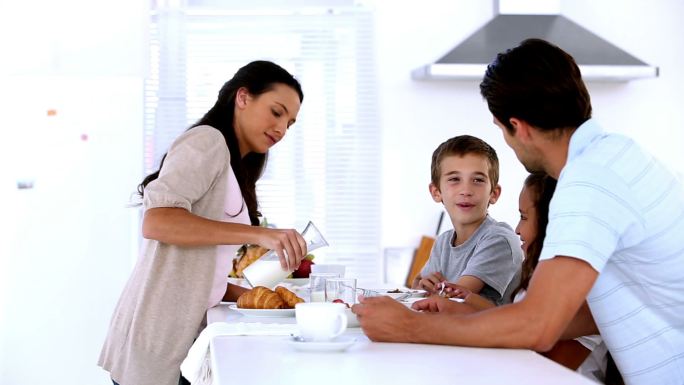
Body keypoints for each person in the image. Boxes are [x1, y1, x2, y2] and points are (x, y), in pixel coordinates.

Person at [352, 39, 684, 385]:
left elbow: (538, 326)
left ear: (518, 126)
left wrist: (411, 327)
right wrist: (465, 318)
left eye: (501, 131)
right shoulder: (618, 157)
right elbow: (586, 316)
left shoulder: (589, 181)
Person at [98, 60, 309, 385]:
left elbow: (198, 268)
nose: (281, 129)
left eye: (290, 123)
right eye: (276, 112)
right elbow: (157, 221)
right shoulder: (207, 141)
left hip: (178, 339)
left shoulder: (232, 164)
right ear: (243, 97)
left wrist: (257, 299)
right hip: (157, 341)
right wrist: (262, 235)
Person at [447, 173, 611, 383]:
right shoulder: (534, 276)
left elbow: (543, 368)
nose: (517, 229)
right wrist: (468, 302)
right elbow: (519, 325)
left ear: (552, 223)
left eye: (524, 217)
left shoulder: (582, 293)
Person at [411, 135, 523, 305]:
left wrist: (429, 293)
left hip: (489, 331)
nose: (466, 190)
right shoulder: (443, 242)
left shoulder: (499, 240)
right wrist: (422, 285)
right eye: (454, 179)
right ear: (436, 192)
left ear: (494, 194)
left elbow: (453, 299)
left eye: (477, 180)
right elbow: (417, 286)